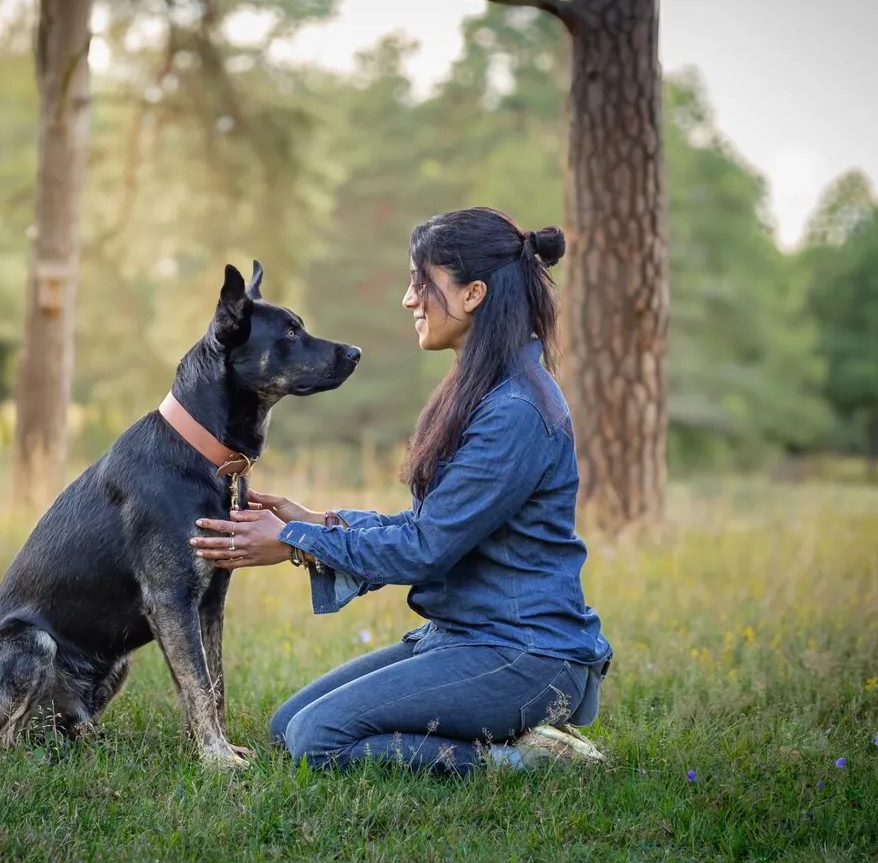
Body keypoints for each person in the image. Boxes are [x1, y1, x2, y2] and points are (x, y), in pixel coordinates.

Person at [188, 207, 612, 775]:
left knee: (317, 740)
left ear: (473, 294)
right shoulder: (482, 389)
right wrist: (318, 521)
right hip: (462, 638)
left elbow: (425, 549)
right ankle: (508, 734)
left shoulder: (516, 409)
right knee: (287, 726)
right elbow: (429, 527)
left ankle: (526, 759)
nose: (409, 300)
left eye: (422, 284)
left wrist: (293, 542)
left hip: (525, 654)